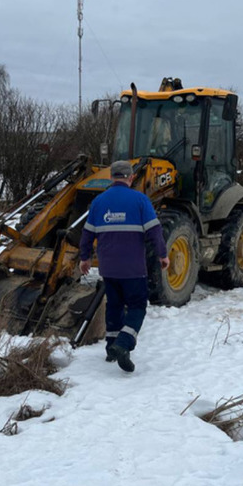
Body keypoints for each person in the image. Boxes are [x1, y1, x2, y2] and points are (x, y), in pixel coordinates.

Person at [79, 160, 170, 373]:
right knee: (137, 306)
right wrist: (162, 254)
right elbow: (155, 232)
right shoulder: (140, 200)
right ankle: (124, 342)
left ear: (111, 178)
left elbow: (86, 234)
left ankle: (111, 347)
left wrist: (84, 258)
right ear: (130, 178)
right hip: (133, 268)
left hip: (108, 268)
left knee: (114, 305)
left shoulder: (99, 202)